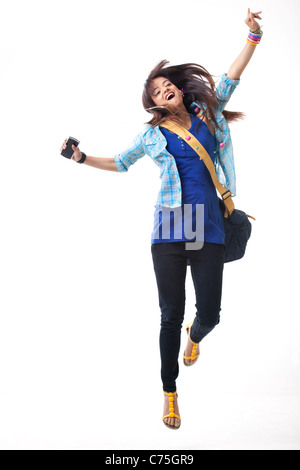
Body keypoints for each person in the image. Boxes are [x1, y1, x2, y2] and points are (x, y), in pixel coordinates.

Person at [60, 9, 262, 430]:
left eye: (169, 84)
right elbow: (120, 162)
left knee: (210, 313)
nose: (166, 88)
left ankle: (196, 337)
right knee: (169, 313)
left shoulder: (207, 113)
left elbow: (230, 78)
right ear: (153, 102)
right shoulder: (152, 135)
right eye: (158, 88)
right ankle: (170, 393)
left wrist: (253, 36)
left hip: (208, 224)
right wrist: (80, 157)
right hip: (171, 225)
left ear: (178, 91)